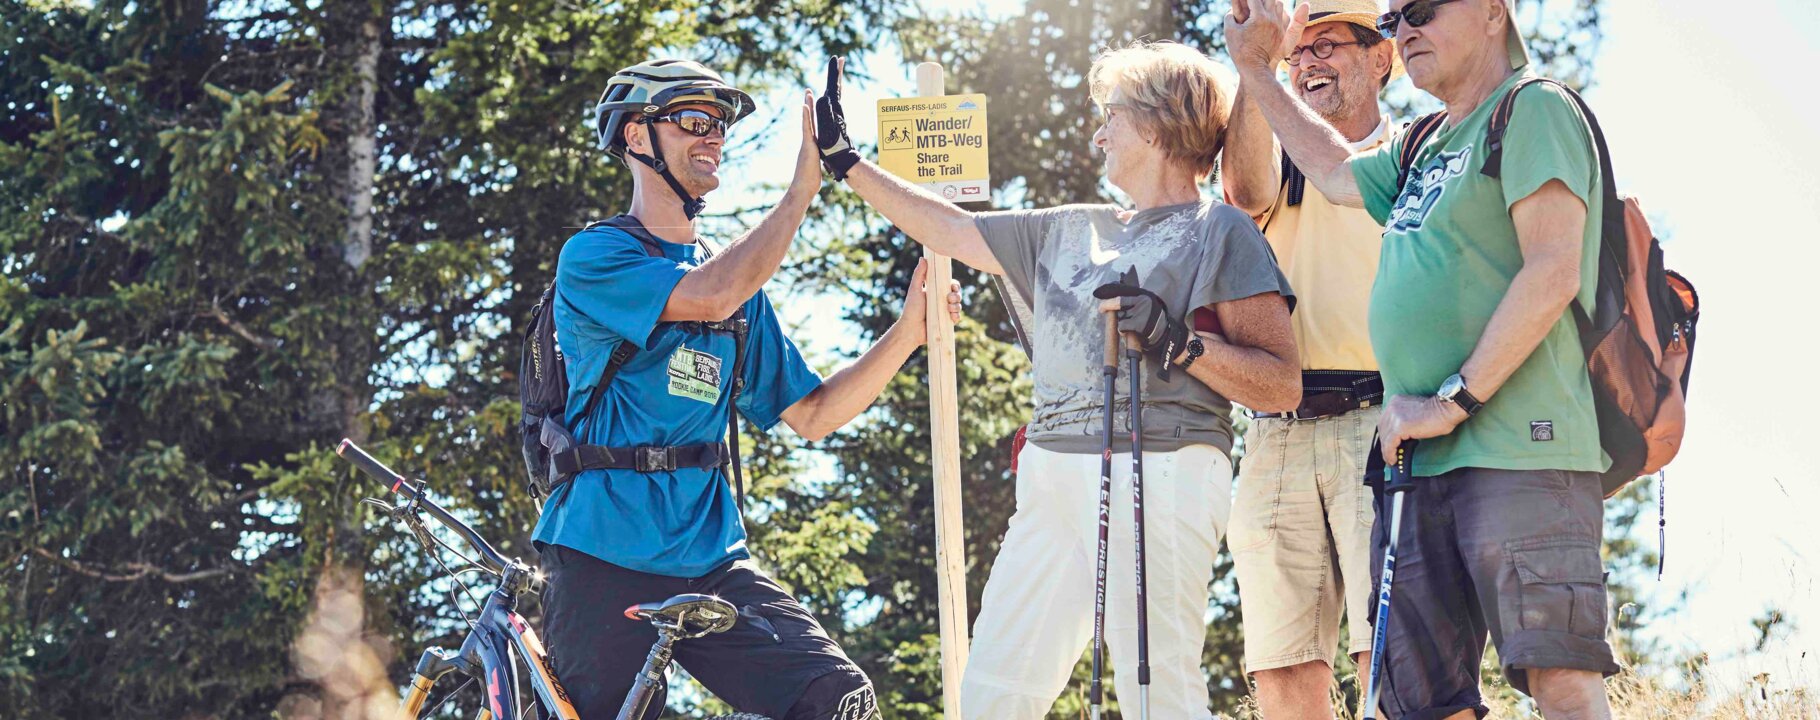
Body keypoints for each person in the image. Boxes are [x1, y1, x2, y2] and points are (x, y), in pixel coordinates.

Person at [810, 44, 1301, 719]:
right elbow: (951, 227)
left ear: (1156, 128)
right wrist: (845, 161)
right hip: (1050, 475)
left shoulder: (1219, 228)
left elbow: (1280, 385)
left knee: (1156, 686)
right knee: (993, 689)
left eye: (1112, 117)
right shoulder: (1067, 227)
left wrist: (1176, 341)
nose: (1100, 134)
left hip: (1167, 468)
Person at [1226, 0, 1622, 718]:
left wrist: (1452, 401)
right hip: (1419, 467)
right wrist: (1255, 68)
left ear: (1495, 13)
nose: (1405, 27)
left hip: (1520, 451)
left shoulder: (1531, 109)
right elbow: (1336, 173)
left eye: (1425, 9)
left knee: (1558, 679)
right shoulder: (1422, 144)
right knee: (1418, 704)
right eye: (1395, 15)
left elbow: (1554, 268)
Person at [533, 59, 961, 720]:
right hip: (598, 553)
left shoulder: (737, 295)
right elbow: (708, 296)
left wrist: (908, 333)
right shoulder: (596, 258)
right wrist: (800, 193)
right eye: (695, 121)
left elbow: (814, 414)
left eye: (721, 126)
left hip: (708, 561)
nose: (715, 138)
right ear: (637, 138)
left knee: (838, 696)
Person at [1218, 1, 1402, 717]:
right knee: (1283, 668)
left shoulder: (1415, 152)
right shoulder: (1276, 145)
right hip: (1277, 432)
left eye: (1328, 44)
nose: (1309, 63)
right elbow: (1242, 193)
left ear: (1381, 58)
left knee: (1386, 652)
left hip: (1384, 422)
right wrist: (1252, 65)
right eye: (1298, 52)